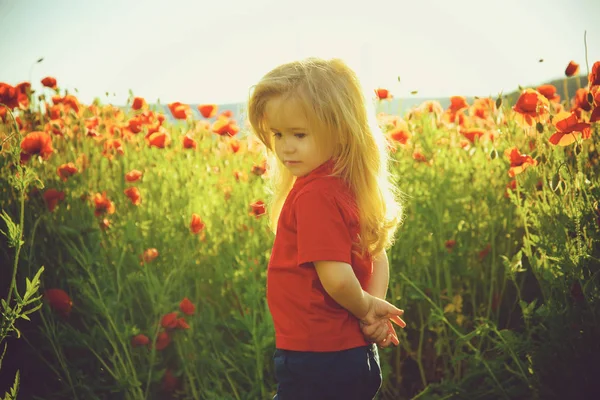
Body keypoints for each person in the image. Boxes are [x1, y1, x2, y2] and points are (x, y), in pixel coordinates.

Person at [247, 57, 406, 400]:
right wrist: (372, 310)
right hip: (351, 354)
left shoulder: (315, 195)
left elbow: (335, 277)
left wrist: (366, 308)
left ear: (339, 128)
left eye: (299, 134)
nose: (285, 146)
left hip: (316, 357)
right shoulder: (346, 185)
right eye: (278, 134)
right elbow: (377, 257)